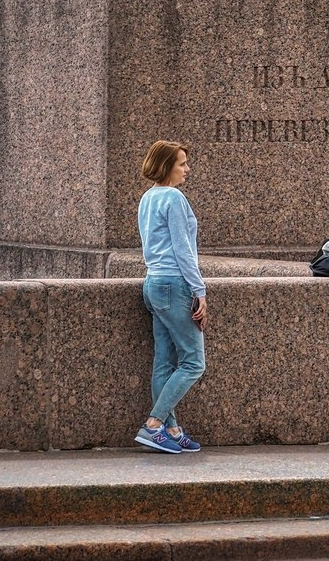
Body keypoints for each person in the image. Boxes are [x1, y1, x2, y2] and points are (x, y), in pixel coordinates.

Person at [135, 139, 207, 454]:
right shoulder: (174, 198)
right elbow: (183, 249)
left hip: (153, 283)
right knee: (193, 362)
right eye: (181, 164)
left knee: (164, 361)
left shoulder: (147, 198)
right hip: (175, 284)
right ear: (167, 166)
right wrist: (199, 289)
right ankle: (153, 424)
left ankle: (171, 428)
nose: (187, 169)